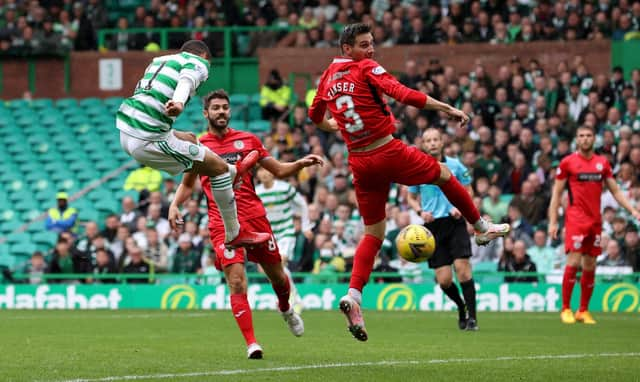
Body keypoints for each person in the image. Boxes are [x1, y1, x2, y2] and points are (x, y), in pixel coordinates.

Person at [308, 23, 510, 341]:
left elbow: (314, 115)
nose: (370, 50)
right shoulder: (366, 68)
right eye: (363, 45)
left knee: (373, 233)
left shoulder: (327, 77)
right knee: (445, 174)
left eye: (372, 43)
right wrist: (445, 107)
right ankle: (482, 228)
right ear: (347, 49)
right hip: (386, 151)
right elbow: (404, 94)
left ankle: (354, 296)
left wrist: (335, 127)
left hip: (359, 161)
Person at [169, 90, 324, 359]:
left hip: (255, 218)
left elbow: (277, 170)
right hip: (220, 222)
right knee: (237, 282)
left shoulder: (248, 140)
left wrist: (299, 163)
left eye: (225, 108)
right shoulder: (199, 147)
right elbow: (187, 184)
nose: (221, 112)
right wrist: (174, 205)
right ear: (206, 113)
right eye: (215, 108)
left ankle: (286, 308)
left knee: (277, 276)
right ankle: (252, 343)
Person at [116, 39, 268, 249]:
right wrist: (179, 103)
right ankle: (234, 232)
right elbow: (186, 81)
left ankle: (234, 172)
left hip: (127, 128)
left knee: (189, 138)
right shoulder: (198, 62)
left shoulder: (159, 61)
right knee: (219, 170)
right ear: (204, 57)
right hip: (148, 138)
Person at [548, 125, 640, 325]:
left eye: (589, 135)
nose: (585, 139)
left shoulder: (602, 163)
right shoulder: (567, 163)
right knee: (573, 260)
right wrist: (553, 221)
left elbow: (615, 191)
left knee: (591, 264)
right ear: (576, 140)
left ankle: (583, 310)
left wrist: (632, 210)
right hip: (575, 219)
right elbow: (556, 194)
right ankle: (565, 308)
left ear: (594, 139)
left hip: (595, 220)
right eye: (581, 136)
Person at [407, 128, 479, 331]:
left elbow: (468, 190)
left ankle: (472, 318)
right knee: (444, 280)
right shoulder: (416, 168)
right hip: (432, 227)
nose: (432, 143)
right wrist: (421, 212)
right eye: (428, 140)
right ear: (423, 144)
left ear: (442, 142)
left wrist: (459, 207)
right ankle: (461, 306)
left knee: (463, 269)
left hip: (453, 221)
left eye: (435, 139)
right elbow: (411, 197)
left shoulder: (455, 165)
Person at [255, 166, 312, 313]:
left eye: (266, 169)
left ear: (273, 173)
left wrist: (305, 226)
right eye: (260, 170)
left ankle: (288, 299)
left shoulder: (285, 188)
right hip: (269, 235)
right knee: (274, 270)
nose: (264, 173)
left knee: (281, 261)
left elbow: (302, 204)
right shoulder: (257, 192)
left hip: (286, 231)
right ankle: (294, 298)